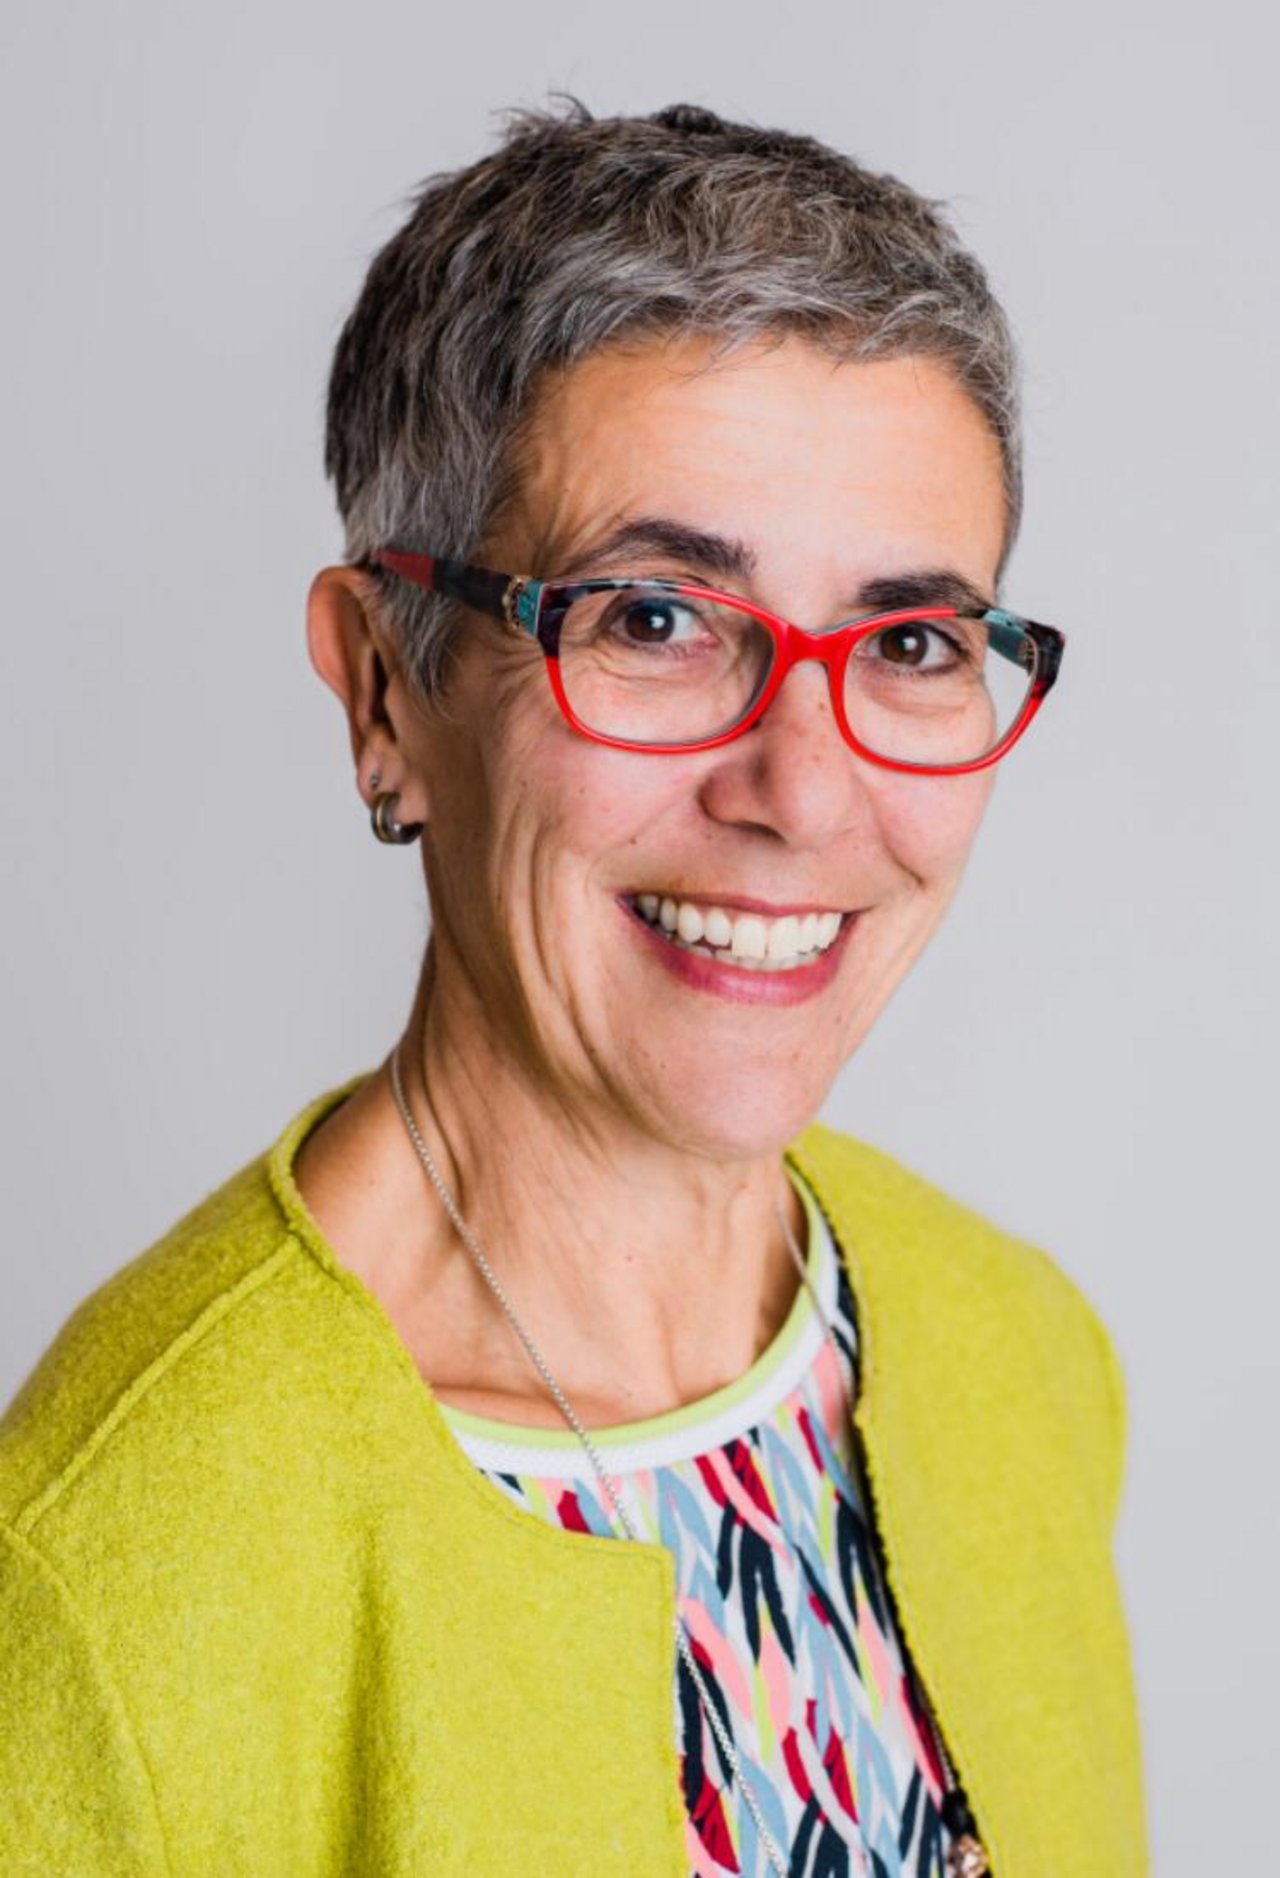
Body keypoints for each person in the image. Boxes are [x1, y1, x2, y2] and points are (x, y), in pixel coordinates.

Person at [0, 101, 1146, 1877]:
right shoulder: (109, 1558)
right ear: (387, 690)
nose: (804, 792)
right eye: (655, 619)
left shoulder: (1019, 1352)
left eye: (912, 642)